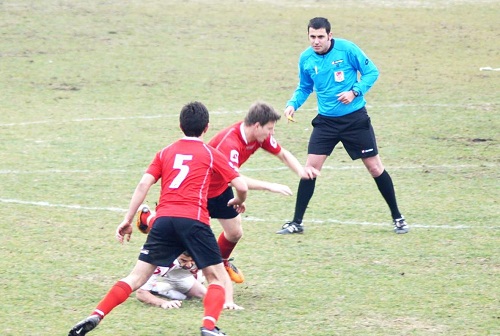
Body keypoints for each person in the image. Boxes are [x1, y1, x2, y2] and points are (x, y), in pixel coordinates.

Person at [68, 101, 248, 336]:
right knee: (216, 277)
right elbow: (241, 184)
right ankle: (209, 327)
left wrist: (127, 219)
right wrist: (238, 200)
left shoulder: (165, 152)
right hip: (195, 220)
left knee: (136, 277)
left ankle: (97, 314)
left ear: (180, 126)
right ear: (206, 128)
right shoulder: (210, 153)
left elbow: (144, 184)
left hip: (163, 221)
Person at [137, 101, 319, 284]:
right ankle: (148, 219)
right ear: (257, 126)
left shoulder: (258, 137)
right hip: (201, 190)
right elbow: (236, 179)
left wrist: (301, 171)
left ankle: (220, 263)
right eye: (270, 129)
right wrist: (269, 186)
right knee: (182, 235)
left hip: (222, 189)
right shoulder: (230, 143)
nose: (272, 133)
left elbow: (283, 154)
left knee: (234, 232)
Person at [275, 17, 409, 235]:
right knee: (309, 170)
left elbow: (372, 72)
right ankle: (296, 222)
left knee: (375, 167)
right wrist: (292, 104)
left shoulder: (347, 50)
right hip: (326, 122)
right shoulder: (306, 58)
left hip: (355, 120)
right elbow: (305, 87)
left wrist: (354, 91)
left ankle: (398, 217)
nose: (316, 41)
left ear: (330, 35)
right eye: (312, 37)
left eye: (320, 37)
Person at [136, 251, 243, 310]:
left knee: (204, 294)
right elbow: (140, 293)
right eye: (183, 260)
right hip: (168, 267)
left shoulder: (203, 252)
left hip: (181, 276)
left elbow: (222, 276)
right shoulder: (160, 258)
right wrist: (162, 303)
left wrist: (229, 301)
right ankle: (147, 217)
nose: (188, 264)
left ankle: (159, 288)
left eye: (192, 260)